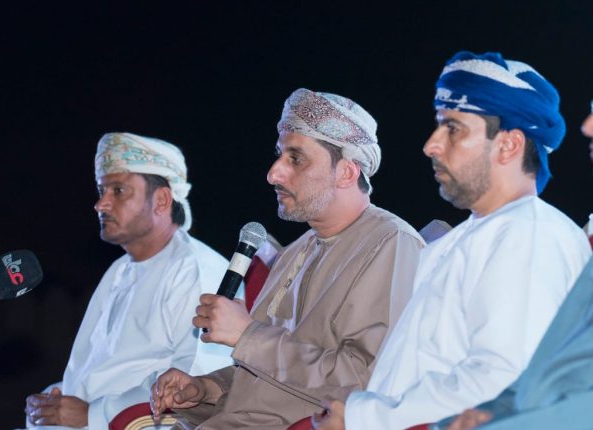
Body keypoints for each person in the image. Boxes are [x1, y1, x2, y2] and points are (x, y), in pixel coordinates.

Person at [313, 51, 592, 430]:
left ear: (509, 145)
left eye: (453, 128)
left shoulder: (530, 235)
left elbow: (503, 383)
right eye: (438, 126)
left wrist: (362, 418)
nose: (431, 144)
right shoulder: (466, 239)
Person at [150, 88, 425, 429]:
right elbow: (269, 379)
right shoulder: (298, 249)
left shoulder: (391, 244)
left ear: (346, 173)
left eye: (296, 159)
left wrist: (248, 335)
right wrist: (206, 389)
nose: (273, 173)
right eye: (280, 155)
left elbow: (368, 381)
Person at [24, 132, 235, 429]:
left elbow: (198, 383)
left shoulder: (196, 270)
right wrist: (53, 401)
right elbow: (100, 375)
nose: (101, 204)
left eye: (119, 191)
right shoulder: (120, 269)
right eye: (101, 190)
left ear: (161, 200)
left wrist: (92, 415)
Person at [437, 105, 593, 430]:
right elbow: (551, 372)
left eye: (454, 129)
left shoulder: (540, 234)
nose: (587, 126)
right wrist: (495, 412)